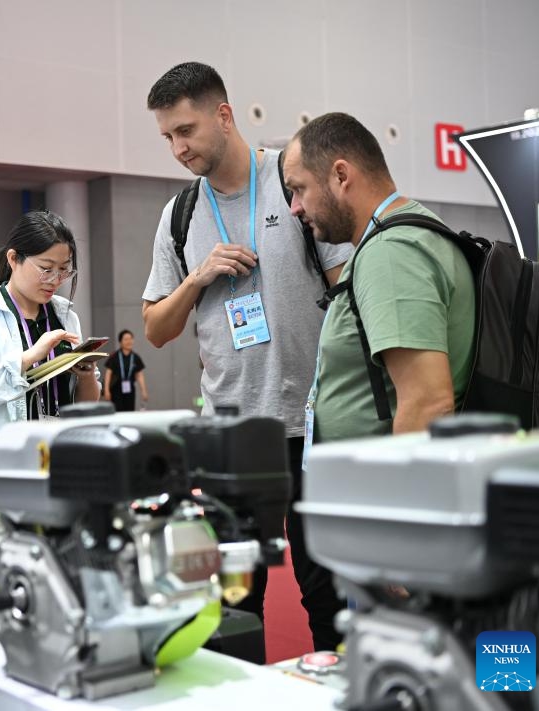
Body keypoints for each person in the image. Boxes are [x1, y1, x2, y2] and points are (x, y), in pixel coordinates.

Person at [142, 62, 352, 654]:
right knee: (233, 604)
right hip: (230, 438)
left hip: (313, 428)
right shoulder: (179, 215)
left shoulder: (294, 182)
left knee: (328, 596)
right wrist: (197, 278)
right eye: (167, 137)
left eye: (186, 131)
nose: (178, 148)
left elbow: (347, 294)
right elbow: (156, 328)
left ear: (224, 115)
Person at [281, 112, 475, 445]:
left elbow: (428, 402)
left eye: (300, 189)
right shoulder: (402, 235)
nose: (294, 208)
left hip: (383, 477)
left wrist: (396, 480)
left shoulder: (391, 251)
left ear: (341, 175)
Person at [0, 210, 100, 470]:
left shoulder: (66, 318)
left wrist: (86, 376)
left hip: (58, 458)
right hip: (1, 465)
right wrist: (28, 358)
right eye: (46, 269)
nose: (55, 280)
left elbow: (84, 405)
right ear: (13, 259)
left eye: (64, 270)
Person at [103, 329, 148, 411]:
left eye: (131, 339)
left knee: (129, 412)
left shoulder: (135, 357)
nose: (129, 341)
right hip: (116, 390)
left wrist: (143, 391)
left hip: (130, 390)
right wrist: (106, 390)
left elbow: (139, 375)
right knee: (118, 412)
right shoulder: (114, 356)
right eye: (126, 339)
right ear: (120, 342)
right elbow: (108, 374)